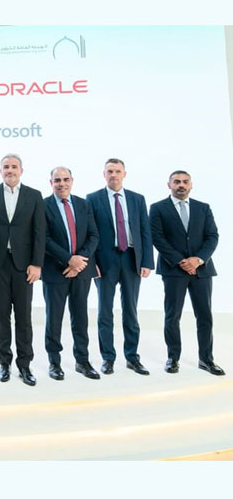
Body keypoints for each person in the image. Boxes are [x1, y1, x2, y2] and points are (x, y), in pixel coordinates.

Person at [149, 171, 223, 376]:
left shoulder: (203, 207)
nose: (181, 185)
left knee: (205, 315)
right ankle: (173, 358)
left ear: (191, 185)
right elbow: (157, 237)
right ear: (169, 185)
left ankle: (206, 359)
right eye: (177, 182)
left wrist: (197, 260)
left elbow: (212, 236)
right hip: (174, 270)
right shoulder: (158, 208)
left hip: (202, 270)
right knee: (172, 315)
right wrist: (181, 261)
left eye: (185, 182)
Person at [0, 154, 45, 386]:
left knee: (23, 317)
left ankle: (25, 365)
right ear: (0, 171)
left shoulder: (34, 195)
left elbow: (39, 231)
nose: (10, 170)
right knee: (1, 316)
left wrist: (37, 264)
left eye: (14, 167)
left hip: (24, 265)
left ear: (21, 170)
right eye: (6, 167)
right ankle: (4, 363)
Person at [86, 158, 154, 376]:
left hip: (131, 259)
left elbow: (145, 231)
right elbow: (90, 233)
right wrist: (92, 264)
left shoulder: (137, 199)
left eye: (117, 171)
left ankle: (132, 357)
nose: (113, 175)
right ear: (104, 174)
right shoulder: (93, 199)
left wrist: (147, 261)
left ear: (124, 174)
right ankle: (108, 358)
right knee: (105, 311)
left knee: (131, 311)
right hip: (105, 262)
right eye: (109, 171)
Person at [42, 167, 100, 380]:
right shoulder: (43, 205)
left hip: (81, 271)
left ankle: (82, 360)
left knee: (80, 317)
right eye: (57, 180)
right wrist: (69, 259)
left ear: (72, 181)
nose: (62, 184)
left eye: (65, 179)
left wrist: (79, 260)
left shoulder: (84, 204)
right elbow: (44, 238)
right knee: (54, 319)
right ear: (51, 183)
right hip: (55, 271)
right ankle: (54, 362)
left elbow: (93, 235)